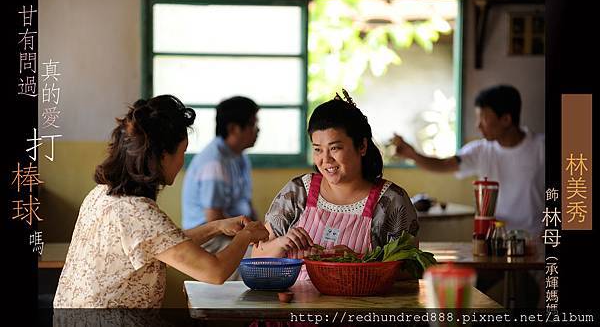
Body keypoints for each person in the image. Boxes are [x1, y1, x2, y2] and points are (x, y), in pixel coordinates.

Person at [53, 95, 268, 308]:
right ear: (163, 155)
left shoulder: (103, 193)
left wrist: (217, 226)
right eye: (183, 151)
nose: (183, 161)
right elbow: (215, 272)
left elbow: (163, 242)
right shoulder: (138, 212)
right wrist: (246, 235)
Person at [252, 90, 419, 280]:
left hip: (362, 308)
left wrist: (358, 261)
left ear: (362, 146)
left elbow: (411, 271)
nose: (325, 160)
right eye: (318, 150)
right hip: (298, 307)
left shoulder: (391, 201)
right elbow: (257, 258)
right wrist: (281, 243)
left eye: (335, 148)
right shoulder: (297, 192)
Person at [392, 85, 545, 238]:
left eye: (483, 119)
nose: (478, 125)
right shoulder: (480, 150)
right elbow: (444, 165)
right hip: (496, 239)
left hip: (537, 240)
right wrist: (413, 155)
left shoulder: (542, 147)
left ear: (506, 119)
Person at [182, 96, 259, 260]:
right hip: (210, 239)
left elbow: (247, 202)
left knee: (272, 250)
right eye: (252, 124)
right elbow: (214, 219)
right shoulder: (214, 163)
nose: (257, 130)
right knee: (263, 260)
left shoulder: (239, 156)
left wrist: (263, 231)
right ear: (233, 129)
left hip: (235, 233)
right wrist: (251, 239)